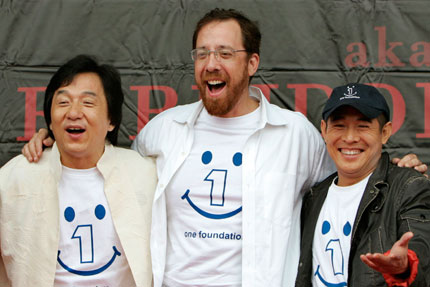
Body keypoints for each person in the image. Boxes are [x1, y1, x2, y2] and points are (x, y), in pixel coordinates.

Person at [21, 9, 427, 287]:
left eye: (225, 53)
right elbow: (106, 165)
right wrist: (54, 140)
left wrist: (396, 174)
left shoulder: (295, 135)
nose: (211, 63)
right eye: (203, 53)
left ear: (252, 64)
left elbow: (349, 181)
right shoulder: (162, 131)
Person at [0, 55, 157, 286]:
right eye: (63, 103)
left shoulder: (146, 175)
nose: (73, 112)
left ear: (111, 119)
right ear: (50, 121)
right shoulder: (14, 178)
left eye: (88, 102)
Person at [295, 83, 430, 286]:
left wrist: (405, 266)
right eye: (339, 126)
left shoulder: (409, 186)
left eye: (363, 126)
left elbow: (422, 245)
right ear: (324, 130)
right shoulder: (313, 196)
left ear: (385, 132)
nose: (350, 138)